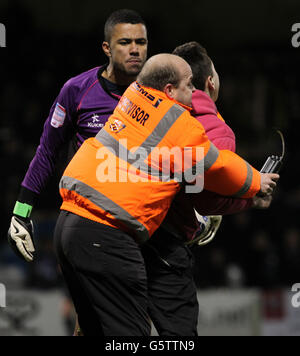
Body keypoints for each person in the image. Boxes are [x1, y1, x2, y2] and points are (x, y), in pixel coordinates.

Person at [53, 53, 278, 336]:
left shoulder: (131, 96)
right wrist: (258, 182)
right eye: (187, 85)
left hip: (68, 225)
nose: (193, 91)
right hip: (107, 235)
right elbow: (218, 165)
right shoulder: (178, 122)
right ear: (169, 90)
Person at [142, 42, 274, 336]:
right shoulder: (216, 129)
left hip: (121, 235)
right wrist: (250, 199)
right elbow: (204, 198)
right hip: (164, 246)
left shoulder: (147, 110)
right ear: (210, 82)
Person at [8, 9, 148, 262]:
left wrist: (199, 205)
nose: (135, 49)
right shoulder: (77, 90)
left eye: (141, 42)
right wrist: (21, 212)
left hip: (146, 222)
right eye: (125, 42)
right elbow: (47, 151)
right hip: (90, 221)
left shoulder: (160, 91)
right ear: (107, 48)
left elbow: (182, 151)